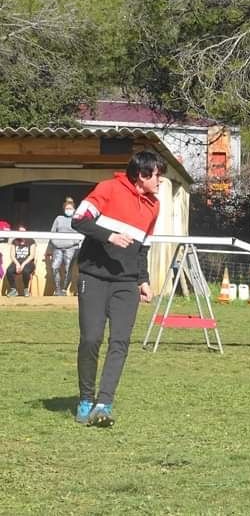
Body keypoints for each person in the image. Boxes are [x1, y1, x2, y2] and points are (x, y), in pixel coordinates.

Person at [71, 151, 166, 427]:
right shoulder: (108, 189)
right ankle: (86, 399)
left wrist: (143, 279)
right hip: (94, 277)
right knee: (91, 338)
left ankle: (104, 403)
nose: (161, 181)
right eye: (158, 175)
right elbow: (79, 219)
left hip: (126, 283)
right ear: (142, 175)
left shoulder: (153, 206)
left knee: (120, 342)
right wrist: (109, 235)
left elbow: (142, 248)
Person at [49, 197, 81, 296]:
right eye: (67, 208)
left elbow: (81, 234)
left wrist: (72, 242)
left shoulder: (77, 219)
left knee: (68, 269)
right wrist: (51, 247)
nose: (68, 210)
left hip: (71, 248)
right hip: (57, 248)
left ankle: (64, 289)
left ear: (74, 209)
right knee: (54, 267)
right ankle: (57, 290)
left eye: (70, 208)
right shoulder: (59, 218)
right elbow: (52, 232)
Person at [5, 225, 36, 297]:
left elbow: (32, 256)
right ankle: (13, 290)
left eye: (23, 231)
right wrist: (17, 264)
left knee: (25, 271)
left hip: (28, 262)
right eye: (20, 231)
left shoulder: (31, 241)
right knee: (9, 270)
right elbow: (12, 255)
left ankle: (25, 289)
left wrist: (23, 264)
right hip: (17, 262)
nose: (21, 233)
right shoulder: (14, 241)